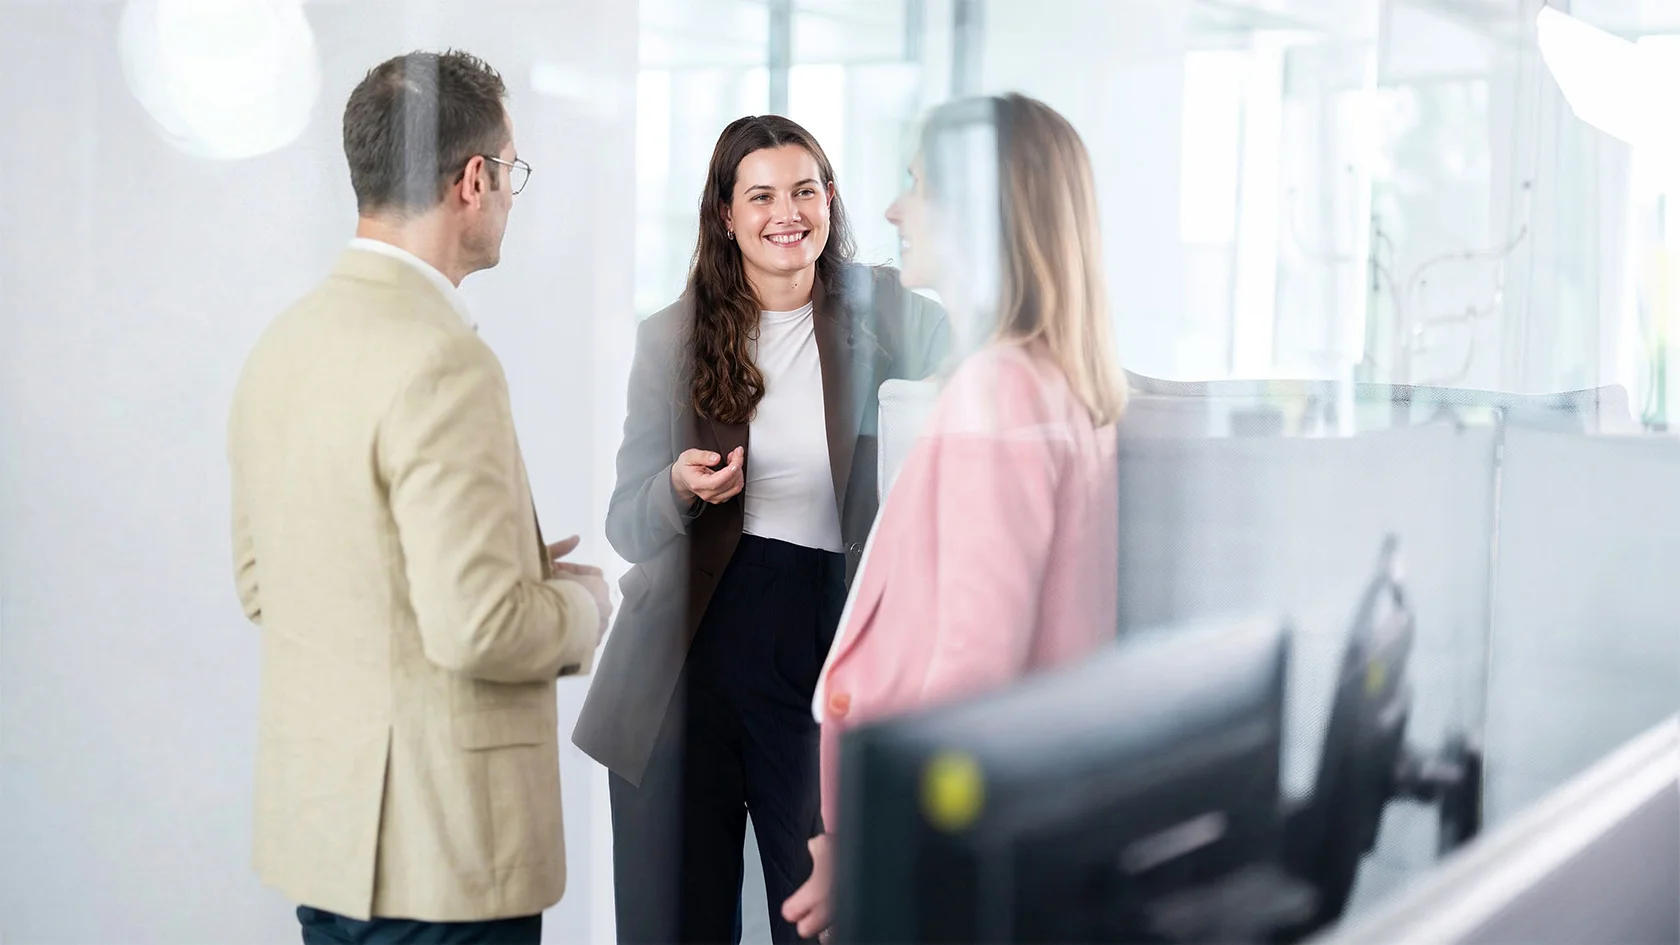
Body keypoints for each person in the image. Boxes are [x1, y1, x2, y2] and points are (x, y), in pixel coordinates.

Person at [226, 50, 610, 945]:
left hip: (328, 841)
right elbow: (475, 627)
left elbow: (264, 581)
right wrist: (578, 606)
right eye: (510, 171)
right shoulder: (445, 360)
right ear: (472, 179)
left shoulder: (281, 346)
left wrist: (496, 568)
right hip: (442, 859)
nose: (512, 192)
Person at [572, 115, 949, 943]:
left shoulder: (887, 313)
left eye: (805, 190)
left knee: (823, 917)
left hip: (821, 644)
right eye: (763, 195)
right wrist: (676, 487)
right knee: (674, 923)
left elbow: (989, 367)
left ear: (830, 199)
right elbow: (626, 522)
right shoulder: (670, 337)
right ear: (725, 214)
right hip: (682, 655)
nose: (788, 213)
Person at [781, 93, 1128, 941]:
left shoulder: (1000, 389)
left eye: (918, 186)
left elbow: (975, 669)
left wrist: (868, 845)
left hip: (940, 853)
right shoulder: (1053, 380)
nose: (895, 209)